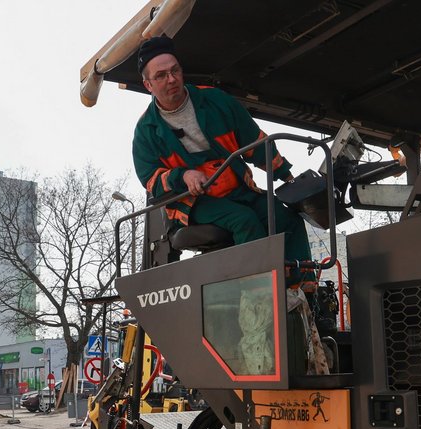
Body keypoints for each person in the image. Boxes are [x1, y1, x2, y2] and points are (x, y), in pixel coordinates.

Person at [132, 36, 312, 267]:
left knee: (288, 219)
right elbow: (151, 181)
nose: (171, 79)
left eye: (175, 70)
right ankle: (258, 295)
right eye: (161, 75)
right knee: (244, 220)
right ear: (148, 85)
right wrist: (184, 176)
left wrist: (287, 176)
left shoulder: (217, 101)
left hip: (237, 188)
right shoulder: (146, 131)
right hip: (193, 203)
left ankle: (302, 291)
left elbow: (256, 143)